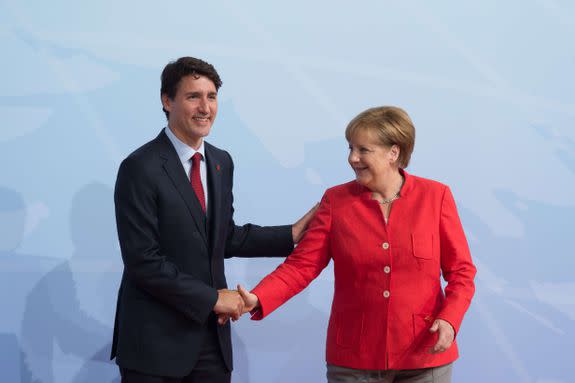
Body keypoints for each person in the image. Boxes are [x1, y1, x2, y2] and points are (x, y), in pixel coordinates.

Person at [110, 56, 316, 383]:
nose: (205, 107)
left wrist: (291, 233)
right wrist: (214, 298)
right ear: (167, 100)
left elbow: (225, 237)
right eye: (193, 96)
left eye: (212, 97)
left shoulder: (221, 162)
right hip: (154, 345)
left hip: (211, 342)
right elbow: (143, 261)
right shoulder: (140, 167)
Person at [236, 106, 477, 382]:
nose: (353, 158)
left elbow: (462, 273)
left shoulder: (436, 197)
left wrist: (450, 319)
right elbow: (302, 266)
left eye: (363, 150)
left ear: (393, 152)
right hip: (353, 360)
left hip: (424, 356)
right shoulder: (335, 201)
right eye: (350, 148)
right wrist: (258, 297)